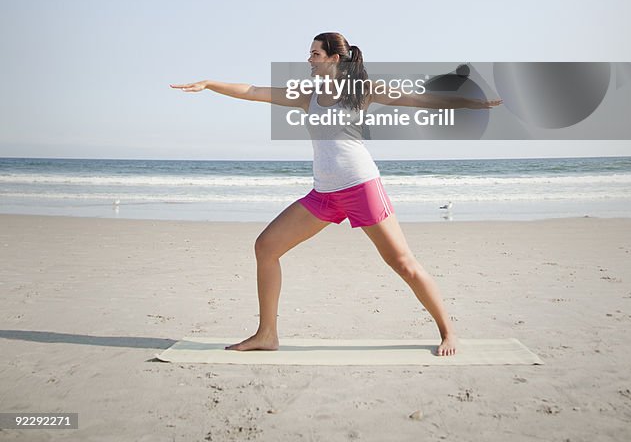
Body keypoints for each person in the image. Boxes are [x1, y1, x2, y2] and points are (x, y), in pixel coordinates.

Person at [170, 32, 502, 357]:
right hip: (324, 193)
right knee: (266, 247)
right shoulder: (307, 95)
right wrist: (210, 84)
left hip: (361, 186)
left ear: (334, 58)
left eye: (315, 54)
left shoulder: (362, 91)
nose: (309, 60)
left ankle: (448, 330)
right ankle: (267, 334)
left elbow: (420, 100)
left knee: (403, 263)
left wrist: (472, 104)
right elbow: (255, 91)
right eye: (310, 53)